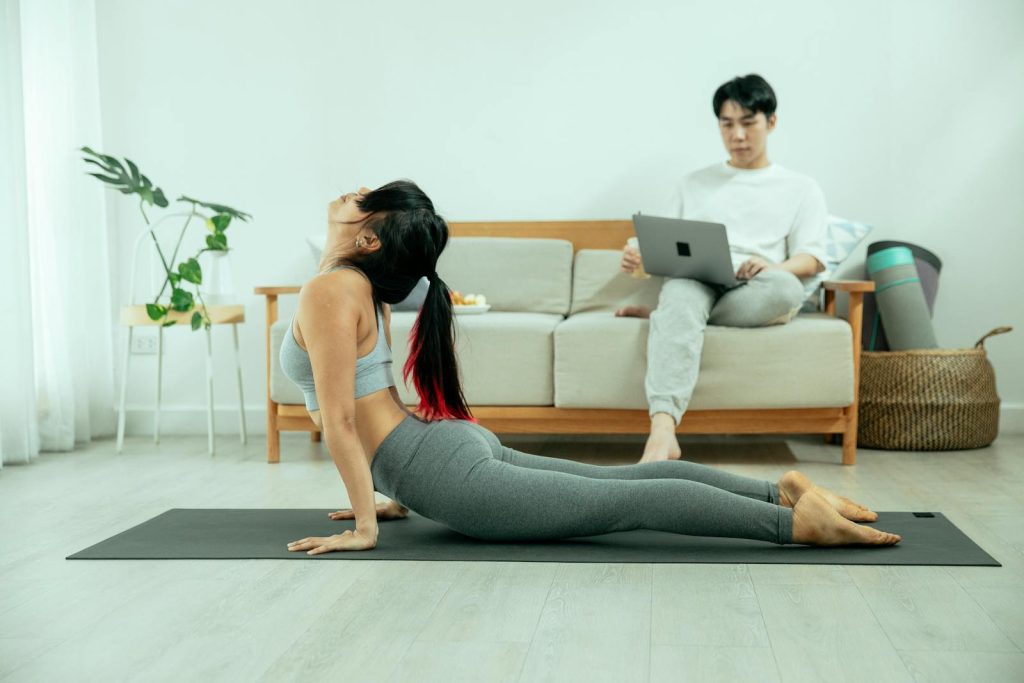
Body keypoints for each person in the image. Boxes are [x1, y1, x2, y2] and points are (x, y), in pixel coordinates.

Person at [280, 180, 901, 556]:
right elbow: (364, 405)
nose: (349, 194)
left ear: (366, 240)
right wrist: (391, 492)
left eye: (363, 200)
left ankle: (791, 524)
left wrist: (366, 524)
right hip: (436, 454)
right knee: (625, 484)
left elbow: (339, 418)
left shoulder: (331, 288)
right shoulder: (353, 287)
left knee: (628, 501)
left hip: (442, 471)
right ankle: (783, 491)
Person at [618, 74, 829, 464]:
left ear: (771, 122)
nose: (738, 135)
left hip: (759, 285)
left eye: (748, 123)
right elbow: (660, 240)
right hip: (697, 277)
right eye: (727, 124)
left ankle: (674, 317)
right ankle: (662, 432)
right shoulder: (693, 184)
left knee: (787, 289)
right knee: (681, 291)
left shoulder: (800, 187)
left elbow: (813, 257)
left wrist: (773, 265)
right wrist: (638, 257)